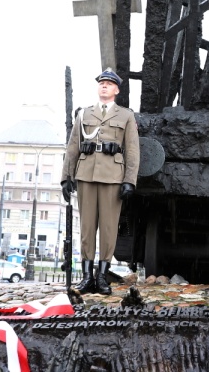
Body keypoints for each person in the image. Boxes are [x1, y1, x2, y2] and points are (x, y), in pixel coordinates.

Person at [61, 68, 140, 295]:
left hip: (112, 177)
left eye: (108, 83)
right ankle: (87, 277)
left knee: (107, 228)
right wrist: (66, 177)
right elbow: (73, 146)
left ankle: (102, 277)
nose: (104, 86)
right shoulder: (84, 114)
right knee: (86, 228)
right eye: (101, 83)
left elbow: (133, 151)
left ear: (116, 90)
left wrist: (129, 181)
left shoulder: (126, 116)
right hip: (85, 174)